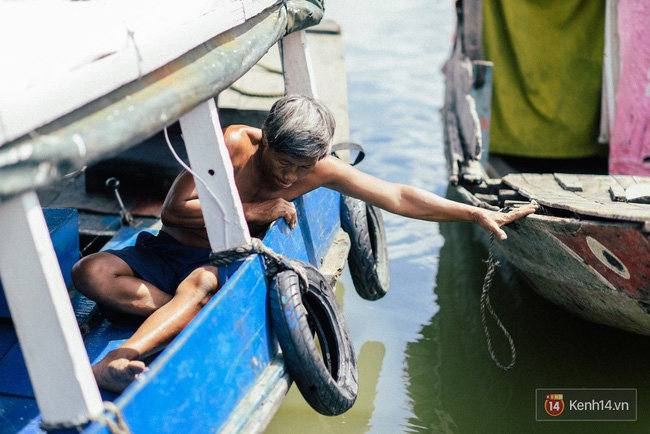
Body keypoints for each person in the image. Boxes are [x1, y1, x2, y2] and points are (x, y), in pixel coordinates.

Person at [72, 95, 537, 392]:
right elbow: (173, 211)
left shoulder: (319, 168)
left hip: (220, 259)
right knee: (88, 273)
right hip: (168, 246)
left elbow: (395, 195)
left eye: (302, 168)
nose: (291, 177)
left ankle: (121, 356)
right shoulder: (233, 145)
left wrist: (474, 212)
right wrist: (259, 211)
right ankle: (179, 313)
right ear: (266, 140)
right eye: (285, 163)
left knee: (199, 283)